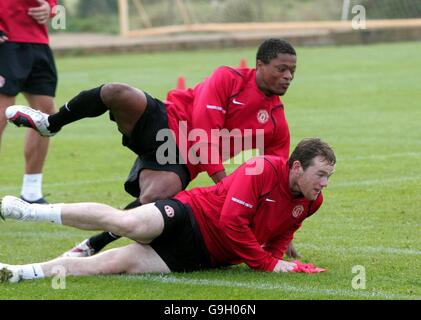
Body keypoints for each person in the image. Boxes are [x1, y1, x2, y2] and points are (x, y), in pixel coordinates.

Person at [5, 38, 299, 257]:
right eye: (281, 68)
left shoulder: (277, 122)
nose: (288, 76)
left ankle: (91, 244)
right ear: (259, 65)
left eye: (292, 71)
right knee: (116, 91)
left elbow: (276, 182)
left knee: (154, 196)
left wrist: (279, 229)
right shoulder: (227, 78)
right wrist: (226, 186)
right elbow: (202, 131)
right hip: (168, 120)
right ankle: (50, 123)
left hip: (183, 157)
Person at [0, 138, 336, 283]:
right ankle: (27, 210)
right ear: (295, 168)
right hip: (191, 213)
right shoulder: (260, 168)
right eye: (319, 175)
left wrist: (279, 261)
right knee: (128, 221)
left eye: (328, 176)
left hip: (201, 257)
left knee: (113, 264)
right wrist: (265, 263)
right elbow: (231, 222)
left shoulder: (312, 201)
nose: (323, 184)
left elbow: (281, 234)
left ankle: (21, 272)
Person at [0, 0, 58, 204]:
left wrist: (50, 8)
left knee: (45, 115)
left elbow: (51, 3)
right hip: (5, 40)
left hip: (38, 42)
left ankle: (31, 193)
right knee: (1, 113)